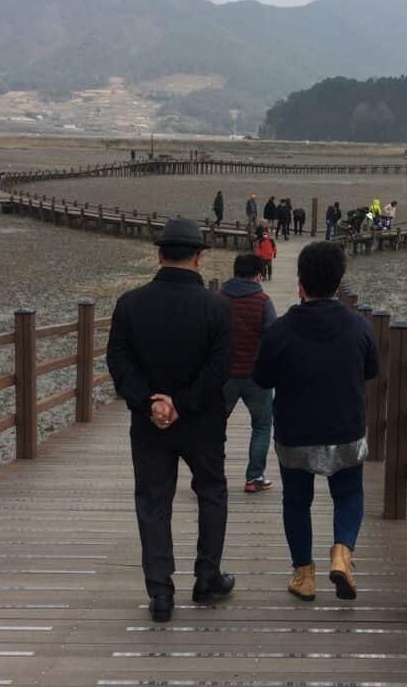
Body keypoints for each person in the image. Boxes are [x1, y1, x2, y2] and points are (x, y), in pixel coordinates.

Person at [105, 219, 235, 624]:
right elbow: (220, 368)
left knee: (153, 501)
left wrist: (151, 404)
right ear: (199, 257)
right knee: (211, 491)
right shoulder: (217, 306)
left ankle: (161, 592)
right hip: (203, 421)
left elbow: (118, 361)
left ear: (159, 254)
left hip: (149, 424)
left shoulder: (130, 303)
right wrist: (183, 403)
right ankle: (206, 577)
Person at [252, 242, 378, 602]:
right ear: (339, 282)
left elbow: (261, 378)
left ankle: (304, 576)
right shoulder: (359, 326)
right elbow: (372, 369)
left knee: (296, 501)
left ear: (299, 283)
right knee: (349, 494)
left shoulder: (281, 330)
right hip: (345, 428)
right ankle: (341, 554)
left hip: (296, 430)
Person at [220, 254, 279, 494]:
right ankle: (255, 477)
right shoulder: (263, 301)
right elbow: (272, 339)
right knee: (262, 425)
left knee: (214, 425)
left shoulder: (218, 299)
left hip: (224, 375)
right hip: (256, 375)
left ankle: (209, 474)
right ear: (258, 275)